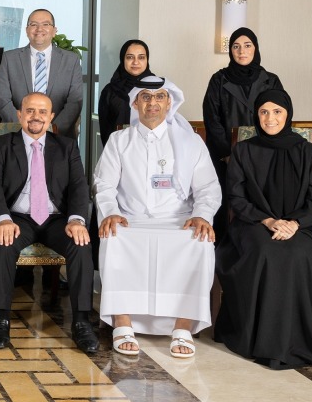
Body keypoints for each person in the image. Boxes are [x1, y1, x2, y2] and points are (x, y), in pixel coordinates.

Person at [216, 90, 312, 369]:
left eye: (277, 112)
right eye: (264, 112)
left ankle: (296, 341)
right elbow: (236, 199)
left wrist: (294, 223)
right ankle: (257, 339)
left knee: (299, 254)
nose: (270, 118)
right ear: (256, 116)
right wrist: (269, 221)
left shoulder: (307, 151)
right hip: (253, 223)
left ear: (288, 115)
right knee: (266, 252)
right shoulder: (243, 151)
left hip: (302, 226)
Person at [94, 76, 220, 358]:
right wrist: (111, 213)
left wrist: (202, 215)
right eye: (146, 98)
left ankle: (183, 326)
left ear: (169, 103)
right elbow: (104, 185)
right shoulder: (119, 140)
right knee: (112, 237)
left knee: (200, 241)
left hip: (178, 220)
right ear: (136, 103)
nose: (153, 103)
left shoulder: (191, 143)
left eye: (159, 97)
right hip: (131, 218)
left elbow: (208, 188)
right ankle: (122, 321)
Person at [0, 93, 99, 353]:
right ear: (20, 115)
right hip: (17, 217)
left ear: (51, 117)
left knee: (81, 245)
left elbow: (79, 187)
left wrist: (77, 220)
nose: (36, 116)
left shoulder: (67, 146)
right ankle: (1, 318)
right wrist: (2, 219)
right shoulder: (1, 145)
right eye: (30, 111)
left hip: (57, 219)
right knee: (4, 241)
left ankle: (81, 322)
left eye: (42, 112)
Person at [202, 27, 284, 241]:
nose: (242, 51)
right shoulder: (218, 80)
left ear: (255, 48)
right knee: (227, 202)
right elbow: (213, 120)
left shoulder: (271, 80)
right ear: (230, 51)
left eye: (247, 45)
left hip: (263, 157)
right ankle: (224, 249)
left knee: (263, 202)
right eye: (236, 46)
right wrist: (228, 155)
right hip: (227, 157)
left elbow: (280, 117)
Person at [0, 9, 83, 138]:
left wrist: (52, 130)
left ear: (54, 31)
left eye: (46, 24)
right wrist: (26, 129)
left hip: (59, 138)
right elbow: (3, 100)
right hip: (17, 135)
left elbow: (74, 102)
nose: (39, 29)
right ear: (27, 30)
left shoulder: (71, 60)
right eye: (34, 24)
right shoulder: (9, 58)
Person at [97, 40, 153, 148]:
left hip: (152, 152)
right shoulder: (110, 91)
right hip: (118, 153)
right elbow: (105, 130)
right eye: (130, 57)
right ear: (123, 59)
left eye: (141, 57)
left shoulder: (157, 88)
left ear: (147, 60)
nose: (135, 62)